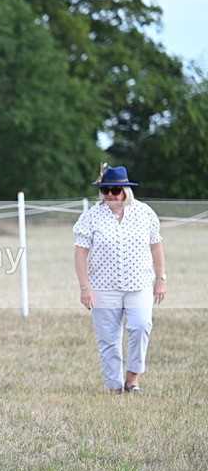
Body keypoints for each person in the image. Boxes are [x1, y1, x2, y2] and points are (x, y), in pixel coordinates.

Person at [73, 164, 166, 395]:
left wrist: (161, 278)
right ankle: (114, 386)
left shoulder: (145, 213)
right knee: (109, 339)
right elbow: (80, 253)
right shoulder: (91, 217)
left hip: (139, 284)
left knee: (141, 326)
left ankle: (132, 378)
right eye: (105, 190)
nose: (110, 195)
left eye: (116, 190)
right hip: (103, 287)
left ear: (126, 190)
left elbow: (156, 246)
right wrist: (85, 287)